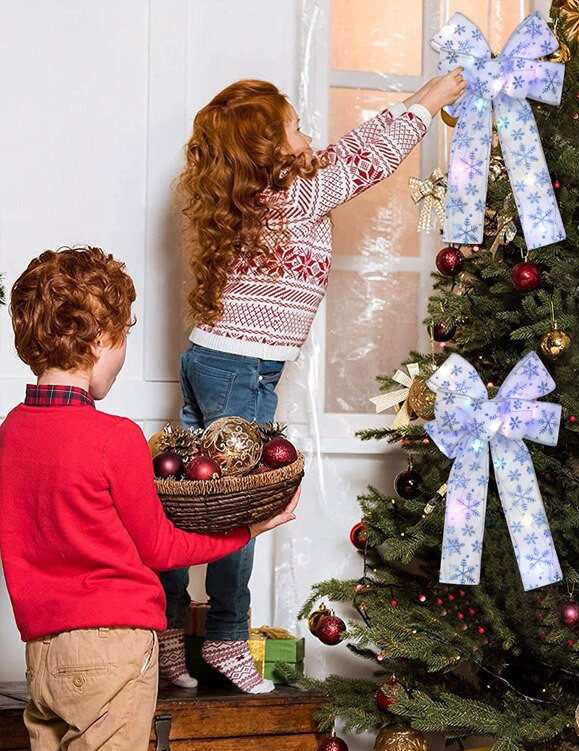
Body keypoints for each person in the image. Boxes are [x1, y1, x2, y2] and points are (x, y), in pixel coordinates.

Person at [159, 69, 466, 690]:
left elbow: (353, 148)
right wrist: (431, 101)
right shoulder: (297, 197)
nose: (308, 134)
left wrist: (415, 101)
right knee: (237, 510)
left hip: (209, 359)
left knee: (184, 506)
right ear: (268, 150)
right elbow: (365, 160)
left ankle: (166, 637)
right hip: (241, 371)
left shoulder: (263, 193)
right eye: (294, 127)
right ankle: (222, 637)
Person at [0, 247, 300, 751]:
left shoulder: (11, 433)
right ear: (97, 343)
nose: (120, 356)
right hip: (112, 652)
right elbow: (160, 548)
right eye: (121, 340)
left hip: (41, 655)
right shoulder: (115, 439)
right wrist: (248, 531)